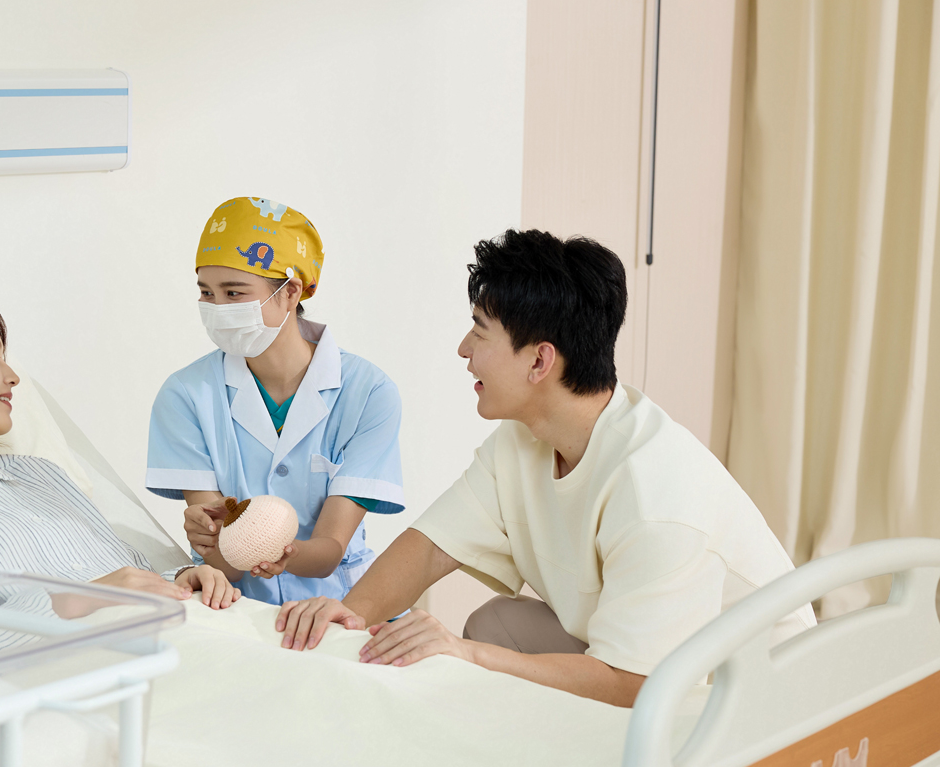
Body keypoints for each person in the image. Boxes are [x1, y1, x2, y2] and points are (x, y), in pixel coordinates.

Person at [277, 229, 815, 706]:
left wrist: (467, 654)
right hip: (649, 660)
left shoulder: (656, 492)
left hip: (744, 701)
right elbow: (431, 547)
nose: (463, 349)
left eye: (479, 331)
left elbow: (634, 685)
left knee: (482, 649)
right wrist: (349, 614)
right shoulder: (524, 439)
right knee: (497, 624)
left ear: (539, 360)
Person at [0, 289, 238, 657]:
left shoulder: (40, 474)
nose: (13, 376)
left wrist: (182, 578)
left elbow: (127, 574)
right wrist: (78, 599)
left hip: (201, 624)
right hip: (115, 659)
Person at [146, 197, 404, 605]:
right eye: (207, 293)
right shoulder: (185, 395)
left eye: (234, 293)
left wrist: (283, 551)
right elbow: (226, 565)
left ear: (291, 291)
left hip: (341, 603)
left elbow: (329, 552)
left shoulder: (368, 392)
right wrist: (210, 537)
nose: (217, 309)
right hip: (236, 605)